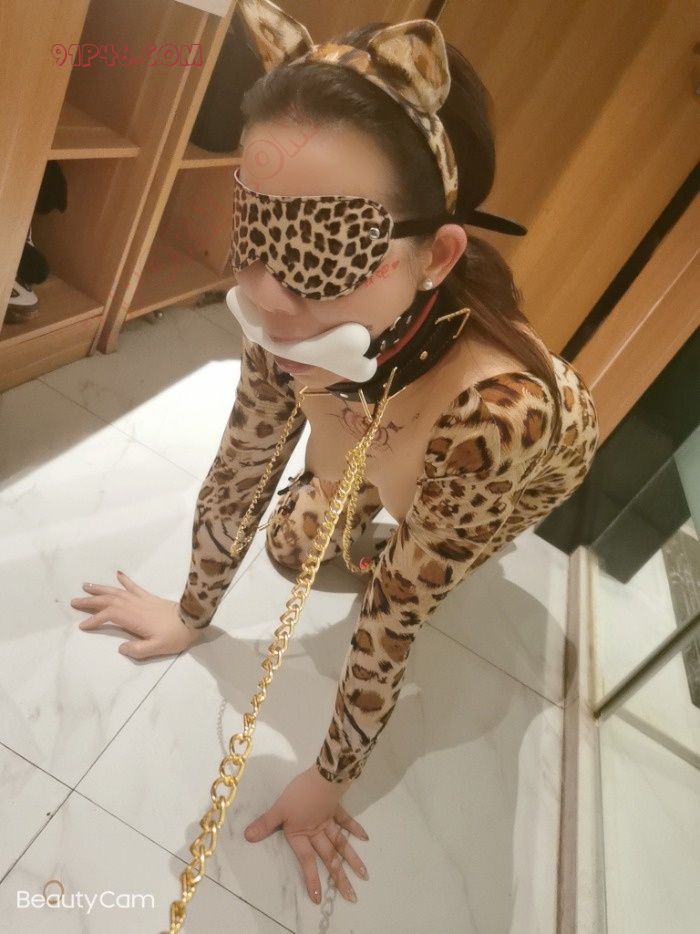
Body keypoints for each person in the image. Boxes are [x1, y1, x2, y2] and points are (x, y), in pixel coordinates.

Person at [70, 0, 599, 907]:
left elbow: (397, 614)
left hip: (519, 468)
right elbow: (244, 462)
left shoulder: (497, 416)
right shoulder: (286, 321)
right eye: (255, 230)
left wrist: (329, 778)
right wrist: (193, 613)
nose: (269, 295)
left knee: (415, 557)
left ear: (435, 257)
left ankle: (430, 523)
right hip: (379, 418)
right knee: (292, 543)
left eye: (326, 247)